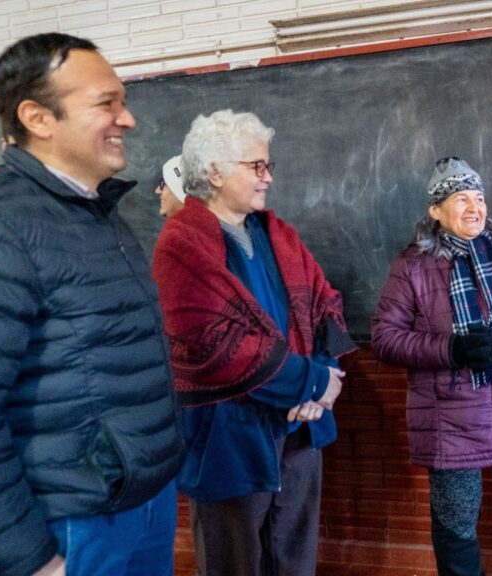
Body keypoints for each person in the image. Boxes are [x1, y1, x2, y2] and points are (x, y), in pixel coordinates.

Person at [0, 33, 184, 576]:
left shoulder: (101, 218)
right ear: (38, 117)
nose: (126, 119)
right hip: (69, 522)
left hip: (142, 505)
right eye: (106, 103)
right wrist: (25, 562)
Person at [151, 109, 356, 576]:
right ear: (215, 172)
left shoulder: (277, 234)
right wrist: (310, 383)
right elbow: (215, 348)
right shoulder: (181, 245)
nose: (267, 178)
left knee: (294, 559)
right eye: (255, 166)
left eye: (268, 166)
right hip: (229, 438)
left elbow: (325, 306)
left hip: (300, 429)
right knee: (234, 563)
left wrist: (317, 380)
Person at [371, 157, 492, 576]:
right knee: (457, 538)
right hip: (451, 426)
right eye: (460, 199)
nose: (474, 207)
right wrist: (451, 350)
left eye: (478, 198)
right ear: (435, 211)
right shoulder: (412, 266)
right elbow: (385, 338)